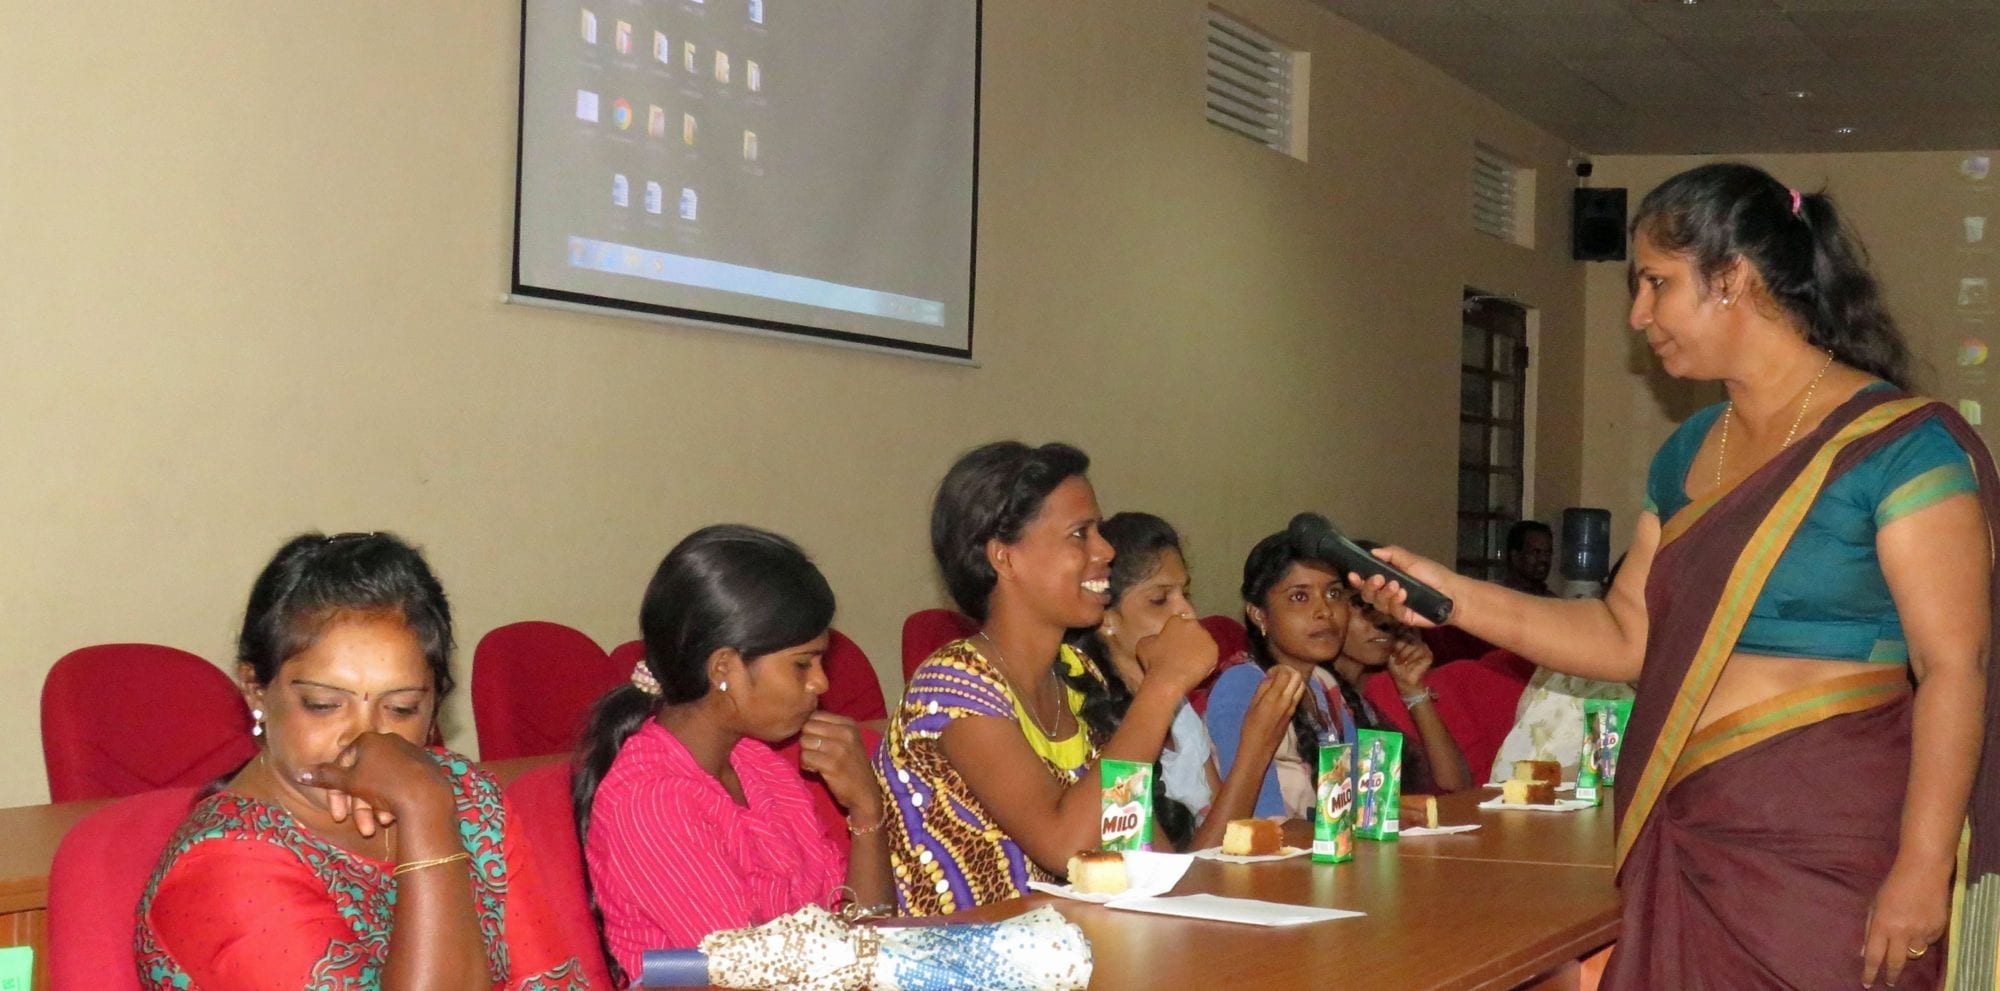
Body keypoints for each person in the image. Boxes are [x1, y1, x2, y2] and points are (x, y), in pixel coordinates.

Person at [1353, 162, 1999, 990]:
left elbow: (1955, 667)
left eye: (1657, 284)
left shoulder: (1901, 446)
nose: (1638, 315)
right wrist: (1444, 592)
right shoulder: (1690, 450)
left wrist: (1922, 864)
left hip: (1833, 851)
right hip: (1692, 831)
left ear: (1734, 278)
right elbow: (1627, 635)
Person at [136, 532, 588, 990]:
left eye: (401, 708)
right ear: (256, 691)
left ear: (435, 704)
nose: (364, 739)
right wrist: (425, 817)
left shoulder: (468, 796)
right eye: (323, 704)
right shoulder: (223, 869)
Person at [876, 441, 1217, 915]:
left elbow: (1138, 843)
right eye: (1081, 534)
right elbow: (1064, 845)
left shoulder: (1080, 675)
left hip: (1089, 949)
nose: (1106, 550)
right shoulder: (952, 689)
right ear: (1005, 558)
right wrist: (1163, 685)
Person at [573, 525, 889, 982]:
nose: (820, 682)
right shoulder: (652, 801)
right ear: (724, 668)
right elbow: (753, 977)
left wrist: (867, 810)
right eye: (802, 663)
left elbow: (866, 935)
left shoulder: (758, 764)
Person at [1065, 512, 1304, 850]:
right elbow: (1175, 878)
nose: (1187, 613)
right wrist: (1256, 747)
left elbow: (1231, 843)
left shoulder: (1180, 711)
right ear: (1107, 618)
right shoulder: (1093, 720)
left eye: (1185, 594)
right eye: (1160, 599)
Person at [1207, 528, 1472, 821]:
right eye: (1299, 597)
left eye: (1333, 593)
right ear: (1259, 614)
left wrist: (1386, 811)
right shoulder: (1243, 686)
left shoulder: (1325, 685)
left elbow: (1355, 806)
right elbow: (1259, 826)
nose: (1325, 611)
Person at [1500, 520, 1555, 596]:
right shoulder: (1500, 596)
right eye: (1536, 552)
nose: (1543, 559)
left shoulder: (1551, 600)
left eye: (1548, 553)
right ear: (1515, 556)